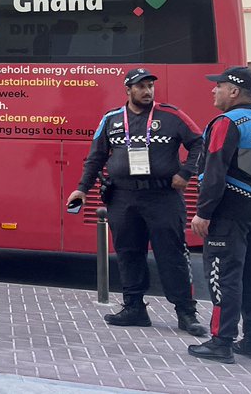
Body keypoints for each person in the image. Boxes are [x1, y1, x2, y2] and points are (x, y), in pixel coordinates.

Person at [67, 67, 206, 336]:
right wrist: (82, 189)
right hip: (123, 196)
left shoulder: (172, 115)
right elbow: (95, 157)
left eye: (150, 86)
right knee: (129, 253)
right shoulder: (111, 119)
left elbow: (200, 143)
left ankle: (186, 313)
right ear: (127, 89)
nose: (147, 91)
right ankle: (134, 308)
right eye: (141, 86)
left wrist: (186, 172)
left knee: (172, 254)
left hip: (163, 196)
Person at [187, 66, 251, 364]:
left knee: (224, 276)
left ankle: (221, 342)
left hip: (228, 213)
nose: (214, 90)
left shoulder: (227, 122)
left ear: (234, 91)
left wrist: (203, 212)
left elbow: (215, 170)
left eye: (219, 86)